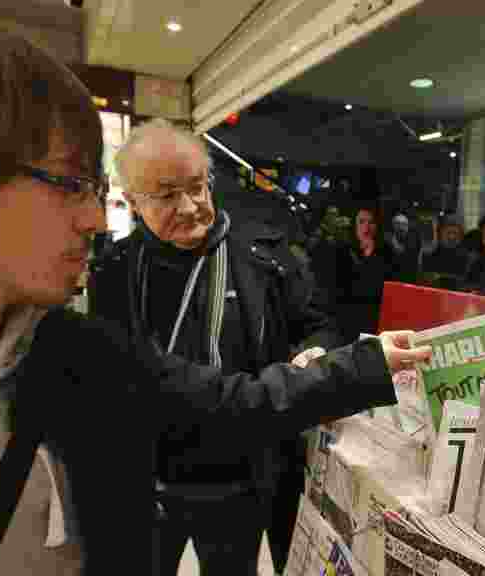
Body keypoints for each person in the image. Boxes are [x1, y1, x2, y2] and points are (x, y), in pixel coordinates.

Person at [0, 15, 430, 576]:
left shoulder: (77, 359)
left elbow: (226, 406)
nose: (96, 219)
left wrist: (363, 367)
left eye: (96, 191)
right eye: (70, 183)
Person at [87, 119, 340, 576]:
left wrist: (312, 353)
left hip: (241, 477)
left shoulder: (268, 258)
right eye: (166, 195)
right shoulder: (114, 273)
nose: (189, 206)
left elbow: (320, 326)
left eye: (197, 187)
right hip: (148, 481)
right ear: (132, 200)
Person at [330, 204, 398, 342]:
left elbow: (388, 289)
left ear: (377, 226)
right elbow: (337, 291)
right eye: (361, 222)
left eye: (371, 222)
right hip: (347, 325)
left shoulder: (387, 253)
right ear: (354, 225)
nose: (366, 227)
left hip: (376, 324)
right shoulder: (342, 252)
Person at [422, 217, 468, 290]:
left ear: (460, 236)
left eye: (455, 233)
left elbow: (465, 280)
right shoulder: (431, 252)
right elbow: (426, 278)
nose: (451, 237)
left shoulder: (466, 255)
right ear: (441, 234)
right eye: (448, 233)